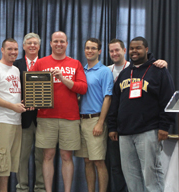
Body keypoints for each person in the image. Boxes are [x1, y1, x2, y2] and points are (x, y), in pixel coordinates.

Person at [108, 36, 175, 192]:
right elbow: (115, 103)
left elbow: (169, 100)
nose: (134, 51)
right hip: (124, 133)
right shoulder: (124, 74)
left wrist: (165, 126)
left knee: (151, 175)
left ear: (146, 49)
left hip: (148, 131)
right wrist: (112, 127)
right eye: (132, 48)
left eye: (138, 48)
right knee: (131, 177)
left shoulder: (159, 71)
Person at [31, 31, 88, 192]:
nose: (59, 44)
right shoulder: (41, 63)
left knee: (66, 156)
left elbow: (83, 88)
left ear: (67, 44)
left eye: (62, 41)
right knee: (47, 156)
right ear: (50, 43)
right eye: (55, 41)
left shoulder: (75, 63)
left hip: (70, 118)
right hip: (46, 117)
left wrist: (63, 79)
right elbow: (30, 87)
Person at [0, 38, 26, 192]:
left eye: (15, 49)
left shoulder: (15, 69)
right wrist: (12, 106)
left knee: (6, 166)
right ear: (2, 50)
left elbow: (11, 95)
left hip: (15, 122)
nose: (13, 52)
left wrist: (23, 104)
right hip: (0, 121)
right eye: (9, 49)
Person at [74, 38, 113, 192]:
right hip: (81, 120)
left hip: (96, 119)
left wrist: (100, 122)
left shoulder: (104, 71)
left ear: (99, 51)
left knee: (98, 161)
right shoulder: (81, 71)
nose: (89, 51)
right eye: (87, 48)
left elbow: (108, 98)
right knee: (87, 160)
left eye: (93, 48)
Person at [14, 33, 45, 192]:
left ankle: (40, 188)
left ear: (39, 46)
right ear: (24, 46)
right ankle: (22, 188)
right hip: (22, 118)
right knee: (22, 157)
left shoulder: (46, 64)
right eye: (29, 43)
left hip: (43, 119)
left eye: (35, 43)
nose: (32, 45)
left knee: (42, 157)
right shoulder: (15, 64)